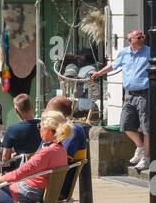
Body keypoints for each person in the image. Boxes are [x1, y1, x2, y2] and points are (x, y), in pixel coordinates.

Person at [90, 29, 150, 169]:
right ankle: (140, 147)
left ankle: (146, 158)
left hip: (144, 93)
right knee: (125, 124)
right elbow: (113, 65)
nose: (141, 39)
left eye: (142, 37)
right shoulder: (124, 53)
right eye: (138, 37)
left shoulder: (149, 52)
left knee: (147, 128)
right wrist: (99, 73)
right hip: (129, 94)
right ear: (130, 40)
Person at [1, 94, 42, 163]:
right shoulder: (44, 126)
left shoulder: (12, 130)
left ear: (16, 111)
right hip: (42, 169)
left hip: (22, 170)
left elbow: (5, 158)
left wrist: (16, 157)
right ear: (32, 107)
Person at [49, 94, 88, 160]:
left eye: (48, 112)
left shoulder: (73, 129)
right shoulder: (54, 128)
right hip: (48, 168)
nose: (46, 115)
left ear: (58, 114)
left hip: (61, 169)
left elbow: (63, 158)